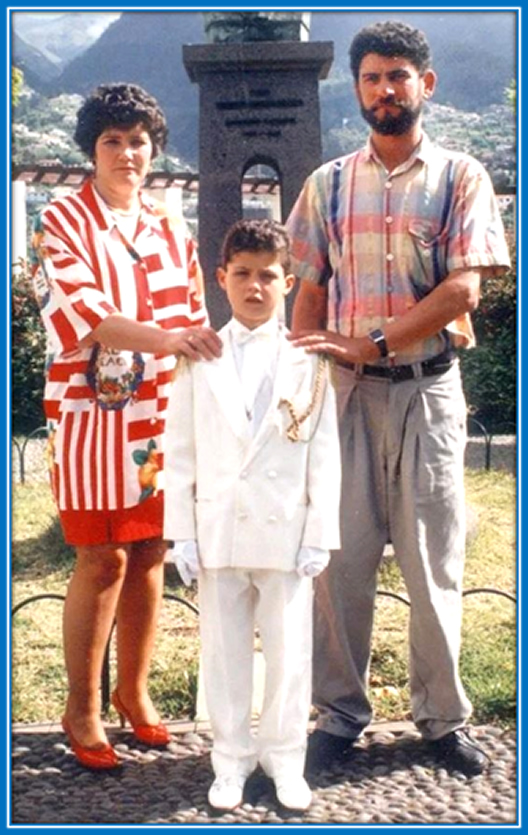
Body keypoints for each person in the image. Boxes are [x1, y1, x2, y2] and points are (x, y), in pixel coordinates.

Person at [286, 20, 511, 777]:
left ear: (427, 84)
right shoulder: (328, 184)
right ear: (357, 89)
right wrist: (305, 379)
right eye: (373, 76)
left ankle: (442, 718)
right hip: (344, 399)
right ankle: (339, 714)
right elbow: (309, 289)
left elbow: (463, 287)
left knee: (431, 562)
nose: (387, 88)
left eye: (400, 75)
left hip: (425, 392)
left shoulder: (460, 177)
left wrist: (374, 342)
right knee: (337, 562)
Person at [31, 82, 222, 770]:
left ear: (153, 148)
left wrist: (193, 352)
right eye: (112, 141)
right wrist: (171, 340)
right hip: (88, 412)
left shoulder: (170, 225)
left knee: (149, 554)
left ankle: (133, 694)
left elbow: (194, 307)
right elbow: (86, 315)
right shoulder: (61, 218)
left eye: (137, 140)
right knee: (101, 555)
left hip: (159, 413)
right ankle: (81, 706)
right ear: (93, 149)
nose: (127, 153)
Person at [163, 219, 341, 811]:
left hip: (285, 531)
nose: (255, 286)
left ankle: (285, 759)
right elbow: (181, 452)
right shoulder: (199, 356)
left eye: (268, 275)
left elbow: (324, 455)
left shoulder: (308, 359)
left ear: (287, 282)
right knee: (224, 652)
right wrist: (180, 535)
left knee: (291, 656)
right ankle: (231, 759)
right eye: (242, 274)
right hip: (219, 528)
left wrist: (319, 533)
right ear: (222, 279)